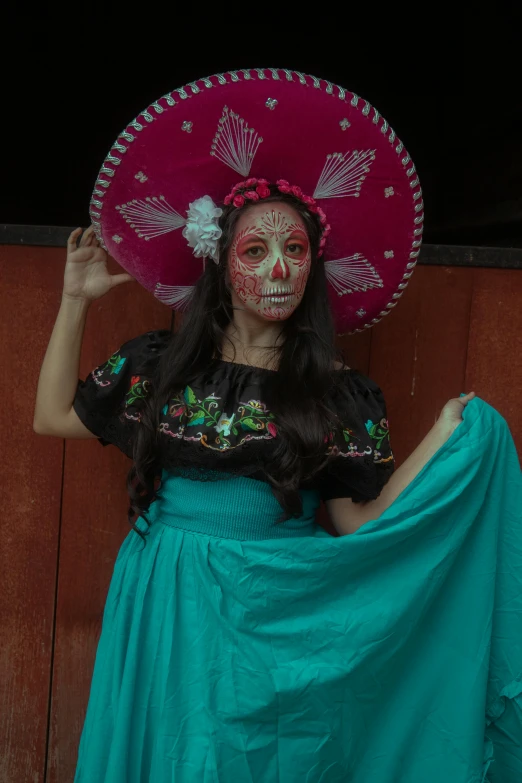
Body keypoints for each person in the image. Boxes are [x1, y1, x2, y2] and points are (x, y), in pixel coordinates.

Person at [33, 69, 520, 782]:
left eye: (295, 250)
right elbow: (49, 418)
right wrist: (73, 299)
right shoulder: (162, 366)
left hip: (275, 607)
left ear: (314, 265)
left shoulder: (336, 394)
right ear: (222, 265)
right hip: (167, 589)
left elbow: (362, 523)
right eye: (255, 251)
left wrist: (446, 435)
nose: (278, 268)